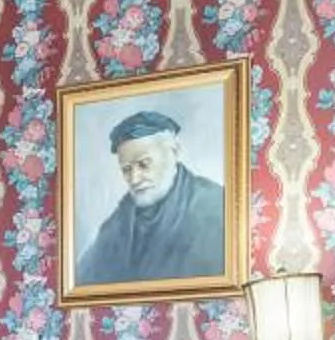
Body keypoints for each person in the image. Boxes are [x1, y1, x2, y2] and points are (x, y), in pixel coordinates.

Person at [73, 110, 227, 288]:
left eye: (144, 164)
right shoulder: (119, 221)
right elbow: (83, 282)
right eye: (127, 170)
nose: (134, 179)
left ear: (174, 152)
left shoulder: (216, 208)